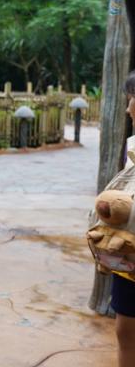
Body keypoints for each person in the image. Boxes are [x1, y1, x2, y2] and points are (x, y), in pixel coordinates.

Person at [112, 71, 135, 367]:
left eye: (132, 99)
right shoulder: (132, 146)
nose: (128, 108)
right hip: (129, 253)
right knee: (125, 330)